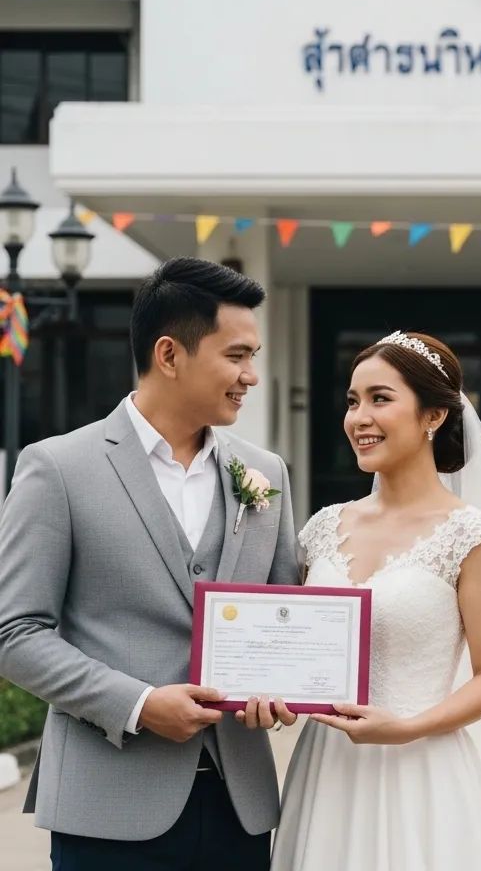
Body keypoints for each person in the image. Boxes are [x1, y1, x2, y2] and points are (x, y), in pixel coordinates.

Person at [0, 257, 299, 871]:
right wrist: (138, 704)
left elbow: (283, 621)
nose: (252, 376)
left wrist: (284, 690)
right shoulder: (58, 467)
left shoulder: (265, 474)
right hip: (105, 806)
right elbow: (14, 633)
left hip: (237, 807)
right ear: (169, 353)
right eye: (237, 356)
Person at [271, 330, 481, 871]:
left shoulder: (470, 535)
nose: (359, 417)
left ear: (433, 416)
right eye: (352, 401)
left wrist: (406, 728)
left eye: (380, 399)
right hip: (327, 769)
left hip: (422, 767)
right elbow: (292, 644)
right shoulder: (321, 528)